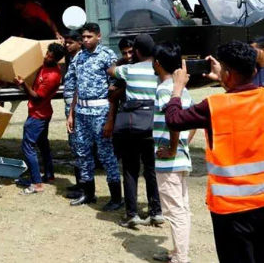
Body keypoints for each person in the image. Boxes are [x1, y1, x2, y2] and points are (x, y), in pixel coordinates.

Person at [166, 41, 264, 263]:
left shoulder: (213, 105)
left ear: (228, 74)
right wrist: (226, 80)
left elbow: (173, 120)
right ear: (254, 71)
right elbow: (243, 96)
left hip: (230, 209)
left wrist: (178, 88)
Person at [107, 35, 163, 227]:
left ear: (136, 52)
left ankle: (132, 214)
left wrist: (121, 60)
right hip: (152, 126)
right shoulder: (159, 70)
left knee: (130, 169)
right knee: (151, 169)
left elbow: (110, 70)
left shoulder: (129, 69)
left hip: (131, 127)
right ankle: (156, 211)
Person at [66, 23, 122, 209]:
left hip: (101, 111)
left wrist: (110, 118)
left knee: (106, 154)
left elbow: (115, 89)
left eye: (89, 37)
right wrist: (71, 113)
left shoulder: (107, 56)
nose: (85, 40)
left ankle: (116, 198)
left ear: (99, 36)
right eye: (83, 37)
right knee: (83, 153)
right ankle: (88, 193)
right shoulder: (79, 57)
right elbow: (76, 87)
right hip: (81, 112)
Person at [152, 42, 196, 263]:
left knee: (175, 211)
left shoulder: (164, 90)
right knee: (181, 209)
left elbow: (174, 122)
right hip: (182, 159)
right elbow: (193, 119)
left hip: (169, 162)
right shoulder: (182, 90)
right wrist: (183, 145)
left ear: (157, 63)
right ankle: (178, 253)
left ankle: (181, 257)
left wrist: (171, 149)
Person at [17, 43, 66, 194]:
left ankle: (37, 183)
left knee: (28, 147)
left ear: (56, 59)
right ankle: (49, 175)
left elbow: (37, 97)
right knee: (43, 145)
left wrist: (23, 84)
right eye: (47, 53)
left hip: (38, 115)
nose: (46, 57)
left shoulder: (52, 76)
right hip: (42, 113)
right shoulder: (46, 66)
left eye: (50, 56)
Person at [62, 31, 84, 198]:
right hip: (71, 107)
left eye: (70, 42)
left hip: (75, 108)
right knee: (75, 146)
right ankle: (79, 184)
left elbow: (78, 88)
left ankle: (83, 186)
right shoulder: (73, 59)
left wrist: (72, 113)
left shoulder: (80, 59)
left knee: (79, 146)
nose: (67, 45)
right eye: (66, 42)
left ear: (79, 43)